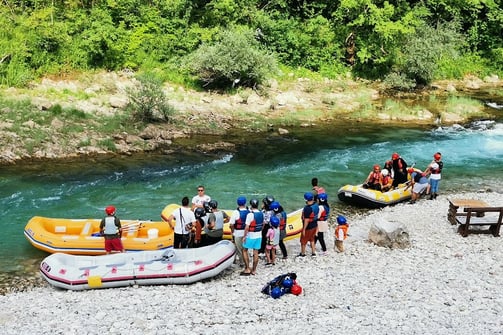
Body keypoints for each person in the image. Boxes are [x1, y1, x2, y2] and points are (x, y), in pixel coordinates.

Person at [241, 198, 264, 276]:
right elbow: (263, 224)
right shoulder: (261, 213)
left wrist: (244, 236)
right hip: (259, 235)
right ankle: (254, 270)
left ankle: (247, 268)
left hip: (251, 235)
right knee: (256, 252)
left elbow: (247, 227)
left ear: (251, 205)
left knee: (244, 250)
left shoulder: (250, 215)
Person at [229, 196, 249, 268]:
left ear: (237, 203)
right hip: (247, 233)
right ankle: (245, 260)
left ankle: (242, 262)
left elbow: (231, 224)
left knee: (239, 249)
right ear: (245, 203)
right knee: (245, 248)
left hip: (238, 233)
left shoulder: (235, 212)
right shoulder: (248, 211)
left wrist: (232, 231)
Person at [298, 192, 319, 257]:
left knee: (303, 241)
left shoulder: (307, 208)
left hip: (308, 227)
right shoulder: (316, 205)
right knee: (312, 239)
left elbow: (306, 220)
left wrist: (304, 229)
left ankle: (303, 253)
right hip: (315, 225)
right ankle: (313, 252)